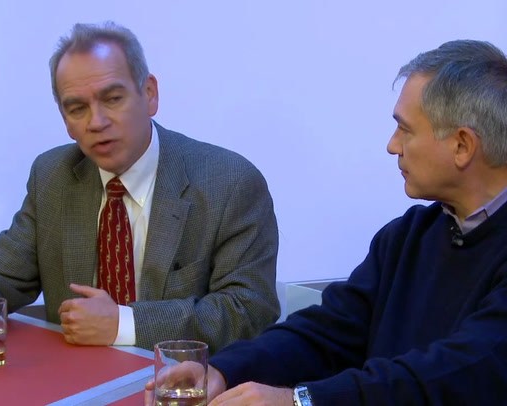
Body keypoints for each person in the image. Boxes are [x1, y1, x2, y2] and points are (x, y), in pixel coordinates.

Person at [145, 39, 507, 404]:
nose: (392, 145)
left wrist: (302, 400)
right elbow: (326, 332)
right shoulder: (408, 235)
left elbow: (457, 373)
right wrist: (225, 370)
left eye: (405, 130)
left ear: (462, 145)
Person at [0, 21, 280, 352]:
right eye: (77, 109)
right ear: (65, 120)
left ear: (149, 94)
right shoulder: (52, 176)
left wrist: (124, 323)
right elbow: (4, 277)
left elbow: (249, 310)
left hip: (183, 378)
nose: (97, 122)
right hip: (74, 378)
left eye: (113, 99)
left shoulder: (229, 182)